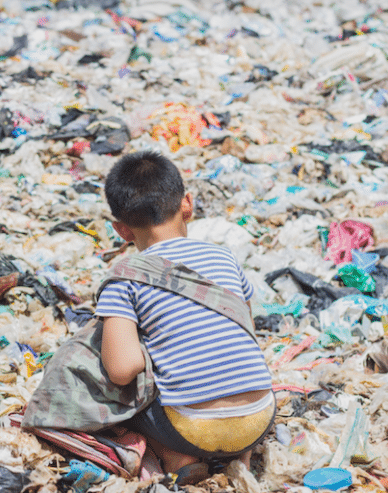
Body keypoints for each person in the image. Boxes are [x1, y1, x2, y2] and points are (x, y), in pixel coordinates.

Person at [94, 150, 274, 485]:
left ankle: (174, 454)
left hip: (191, 429)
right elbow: (246, 327)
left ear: (121, 230)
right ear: (187, 204)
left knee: (111, 397)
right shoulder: (224, 257)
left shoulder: (124, 276)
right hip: (260, 416)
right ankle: (240, 453)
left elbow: (122, 370)